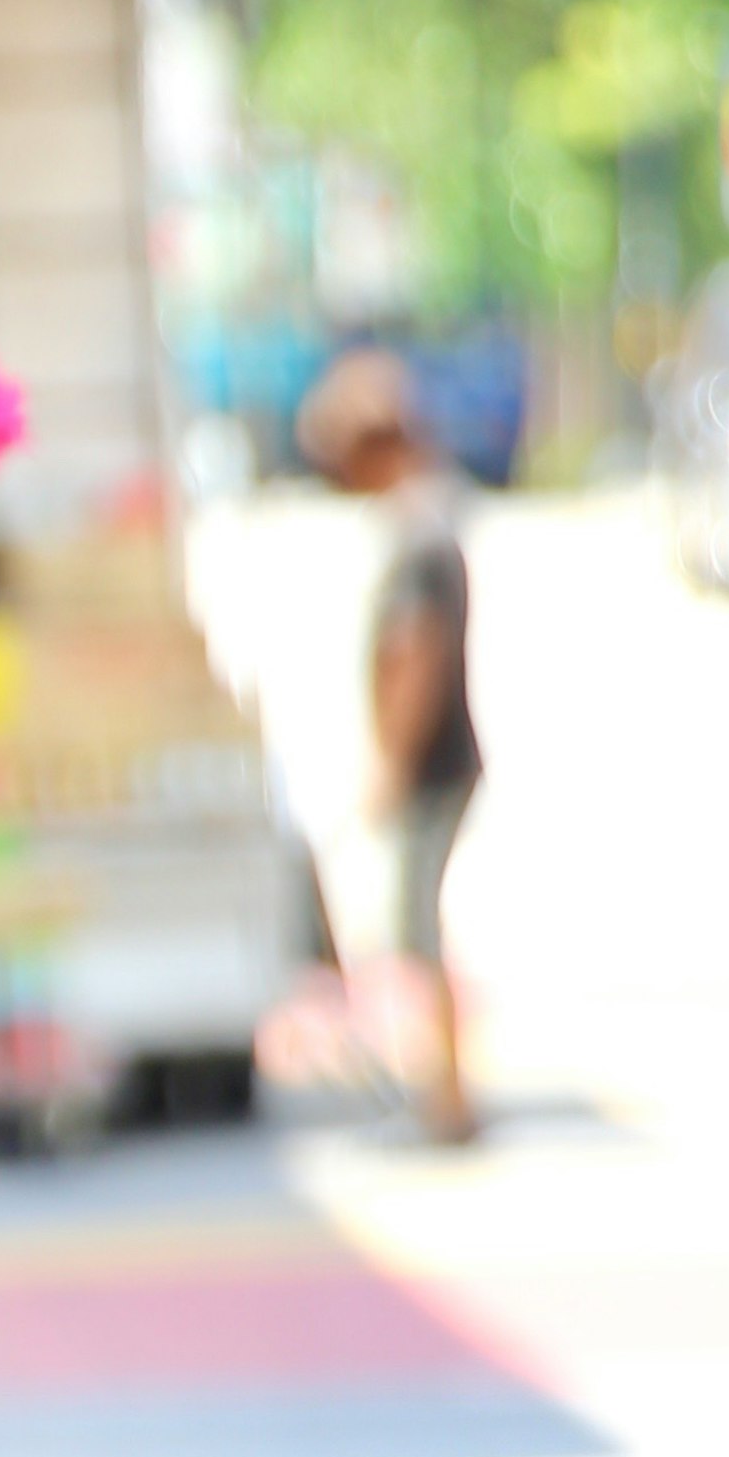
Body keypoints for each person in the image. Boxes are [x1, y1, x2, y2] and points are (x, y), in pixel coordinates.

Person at [297, 349, 482, 1145]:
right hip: (442, 758)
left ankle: (447, 1095)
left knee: (417, 930)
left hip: (433, 762)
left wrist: (393, 760)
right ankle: (439, 1088)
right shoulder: (430, 519)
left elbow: (416, 652)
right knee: (416, 927)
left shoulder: (417, 533)